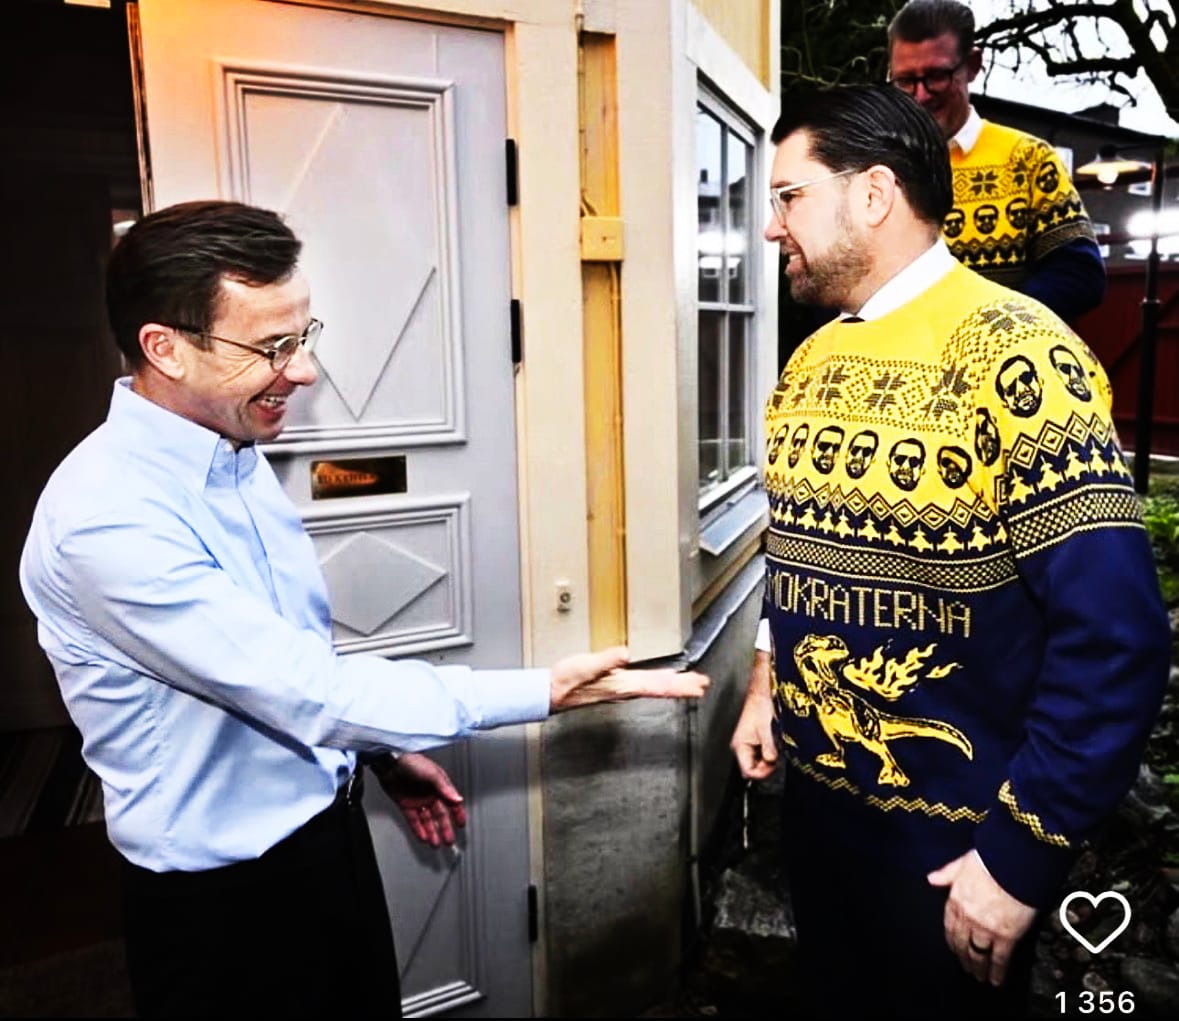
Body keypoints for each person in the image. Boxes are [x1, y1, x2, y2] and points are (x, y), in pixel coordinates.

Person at [18, 200, 708, 1019]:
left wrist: (381, 753)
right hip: (223, 906)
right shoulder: (106, 519)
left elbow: (283, 654)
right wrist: (544, 690)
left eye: (302, 337)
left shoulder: (233, 454)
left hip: (327, 839)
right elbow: (304, 691)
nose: (304, 371)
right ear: (164, 348)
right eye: (271, 348)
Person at [730, 84, 1169, 1018]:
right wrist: (765, 683)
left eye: (788, 197)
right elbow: (793, 546)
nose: (772, 227)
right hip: (818, 820)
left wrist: (1020, 855)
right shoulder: (808, 360)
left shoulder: (1021, 355)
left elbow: (1115, 641)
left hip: (953, 848)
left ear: (873, 194)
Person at [887, 0, 1106, 323]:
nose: (920, 95)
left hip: (999, 351)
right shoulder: (873, 168)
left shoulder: (1029, 159)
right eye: (905, 81)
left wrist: (989, 323)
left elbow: (1080, 275)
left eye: (936, 76)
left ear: (973, 64)